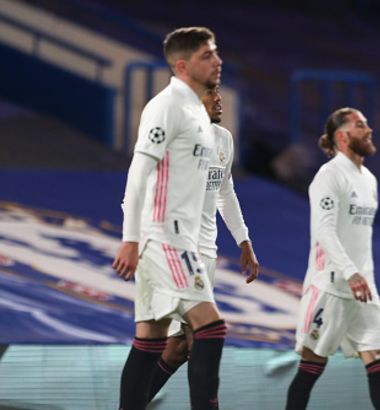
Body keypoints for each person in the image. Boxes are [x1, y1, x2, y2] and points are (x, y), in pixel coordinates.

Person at [112, 26, 225, 410]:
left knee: (151, 341)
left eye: (215, 53)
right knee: (210, 327)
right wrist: (131, 238)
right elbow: (139, 172)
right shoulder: (167, 106)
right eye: (207, 55)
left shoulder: (196, 113)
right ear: (182, 66)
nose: (217, 61)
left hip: (177, 237)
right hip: (164, 236)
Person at [145, 85, 261, 402]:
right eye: (210, 94)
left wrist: (243, 239)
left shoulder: (224, 139)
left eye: (218, 92)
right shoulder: (174, 139)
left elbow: (225, 191)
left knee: (177, 348)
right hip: (176, 252)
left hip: (206, 253)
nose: (219, 99)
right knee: (205, 336)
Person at [285, 107, 380, 410]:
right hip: (331, 285)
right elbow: (324, 230)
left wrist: (362, 275)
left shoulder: (369, 179)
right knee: (312, 366)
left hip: (364, 289)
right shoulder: (329, 175)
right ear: (341, 136)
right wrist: (350, 272)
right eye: (360, 125)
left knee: (379, 361)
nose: (369, 130)